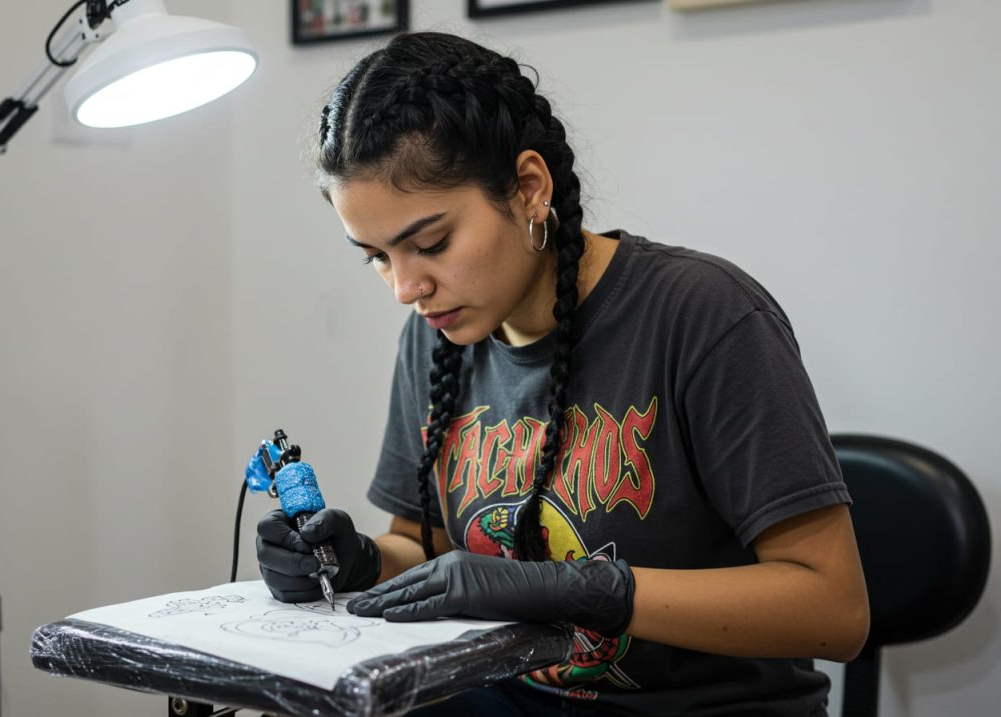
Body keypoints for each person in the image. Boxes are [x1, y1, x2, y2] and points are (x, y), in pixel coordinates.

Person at [256, 31, 870, 716]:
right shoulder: (435, 338)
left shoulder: (703, 315)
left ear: (528, 188)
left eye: (430, 244)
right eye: (374, 255)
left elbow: (833, 609)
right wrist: (362, 560)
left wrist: (587, 588)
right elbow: (423, 548)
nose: (405, 286)